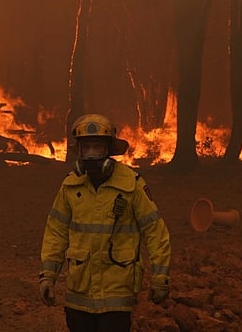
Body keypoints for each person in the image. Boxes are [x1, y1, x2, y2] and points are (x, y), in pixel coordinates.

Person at [39, 113, 171, 331]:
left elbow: (155, 232)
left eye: (97, 147)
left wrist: (160, 278)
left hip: (116, 295)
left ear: (108, 149)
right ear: (78, 150)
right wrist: (47, 276)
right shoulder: (70, 186)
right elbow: (56, 233)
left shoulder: (132, 184)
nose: (91, 154)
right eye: (86, 147)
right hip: (78, 294)